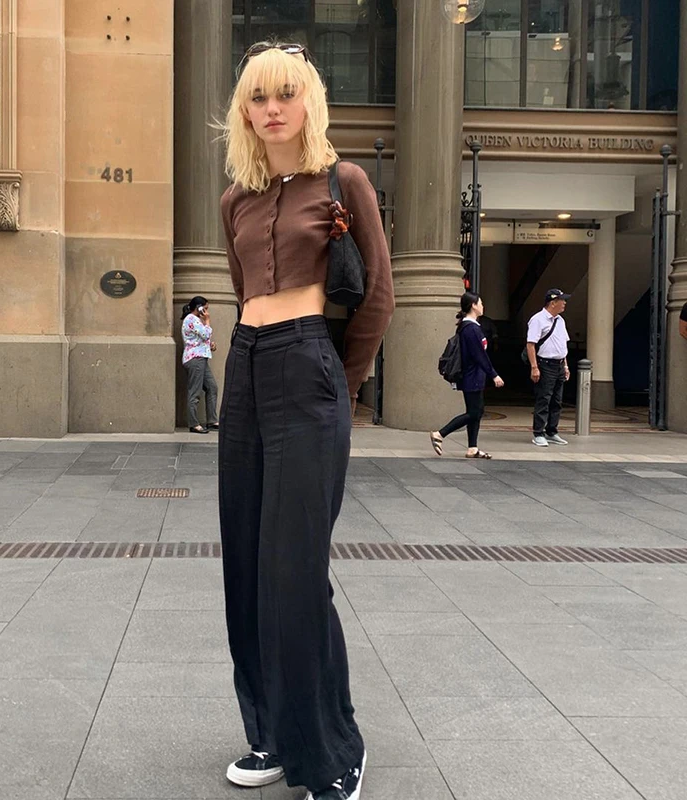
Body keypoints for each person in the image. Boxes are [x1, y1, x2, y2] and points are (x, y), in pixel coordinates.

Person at [218, 41, 394, 800]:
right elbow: (242, 293)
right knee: (247, 568)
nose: (272, 108)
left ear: (308, 101)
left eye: (285, 93)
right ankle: (272, 732)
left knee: (295, 571)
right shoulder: (236, 198)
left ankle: (329, 747)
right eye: (258, 97)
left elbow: (377, 296)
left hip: (308, 364)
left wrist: (339, 389)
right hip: (246, 366)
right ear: (244, 112)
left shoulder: (343, 180)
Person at [430, 293, 504, 459]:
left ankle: (472, 447)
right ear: (473, 305)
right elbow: (479, 355)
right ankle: (440, 434)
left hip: (474, 376)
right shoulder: (471, 329)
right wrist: (494, 375)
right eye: (480, 303)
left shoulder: (470, 326)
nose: (483, 306)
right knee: (474, 413)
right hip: (472, 376)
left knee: (476, 411)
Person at [527, 288, 571, 447]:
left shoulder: (560, 320)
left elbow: (563, 344)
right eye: (562, 300)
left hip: (559, 365)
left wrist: (565, 365)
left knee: (557, 400)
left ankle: (552, 431)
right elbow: (531, 344)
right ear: (553, 303)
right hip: (545, 364)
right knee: (544, 399)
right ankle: (538, 432)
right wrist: (534, 367)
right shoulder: (537, 320)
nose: (564, 303)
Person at [180, 295, 218, 434]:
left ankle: (212, 420)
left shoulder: (196, 320)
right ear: (199, 308)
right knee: (194, 392)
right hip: (195, 359)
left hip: (201, 357)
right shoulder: (191, 319)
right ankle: (194, 424)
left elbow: (201, 338)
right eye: (205, 308)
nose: (207, 311)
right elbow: (205, 334)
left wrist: (210, 345)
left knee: (212, 387)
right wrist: (207, 321)